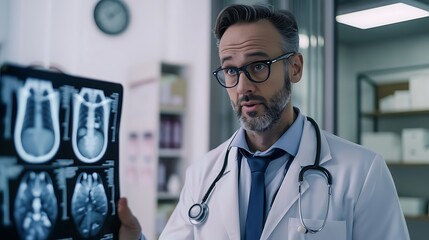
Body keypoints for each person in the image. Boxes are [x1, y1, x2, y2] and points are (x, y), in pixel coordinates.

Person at [118, 4, 410, 240]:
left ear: (294, 68)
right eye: (231, 70)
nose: (242, 86)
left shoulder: (361, 171)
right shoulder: (203, 174)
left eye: (258, 66)